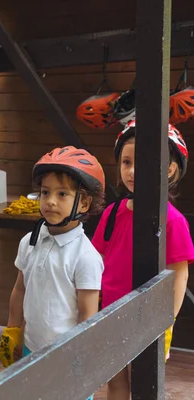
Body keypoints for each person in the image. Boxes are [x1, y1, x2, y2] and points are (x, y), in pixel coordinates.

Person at [91, 119, 194, 400]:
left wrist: (166, 323)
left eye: (143, 162)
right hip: (110, 315)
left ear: (170, 168)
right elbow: (95, 263)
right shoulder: (111, 213)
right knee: (114, 383)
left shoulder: (172, 221)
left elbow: (178, 276)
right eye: (126, 162)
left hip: (147, 322)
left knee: (143, 385)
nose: (133, 171)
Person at [0, 146, 106, 400]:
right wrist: (12, 329)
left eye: (62, 193)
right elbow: (20, 288)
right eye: (45, 192)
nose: (50, 201)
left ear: (85, 202)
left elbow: (87, 315)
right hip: (31, 349)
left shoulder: (85, 255)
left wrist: (79, 357)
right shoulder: (29, 241)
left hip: (68, 357)